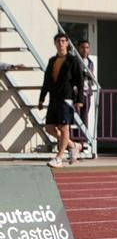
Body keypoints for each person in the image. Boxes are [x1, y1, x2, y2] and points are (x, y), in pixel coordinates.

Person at [37, 33, 85, 168]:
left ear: (67, 43)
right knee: (50, 128)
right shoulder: (52, 61)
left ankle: (59, 157)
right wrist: (41, 98)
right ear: (55, 43)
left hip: (66, 98)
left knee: (64, 129)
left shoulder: (72, 60)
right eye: (58, 41)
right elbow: (46, 81)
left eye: (63, 41)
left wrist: (79, 100)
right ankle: (73, 145)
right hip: (54, 99)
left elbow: (79, 82)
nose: (61, 43)